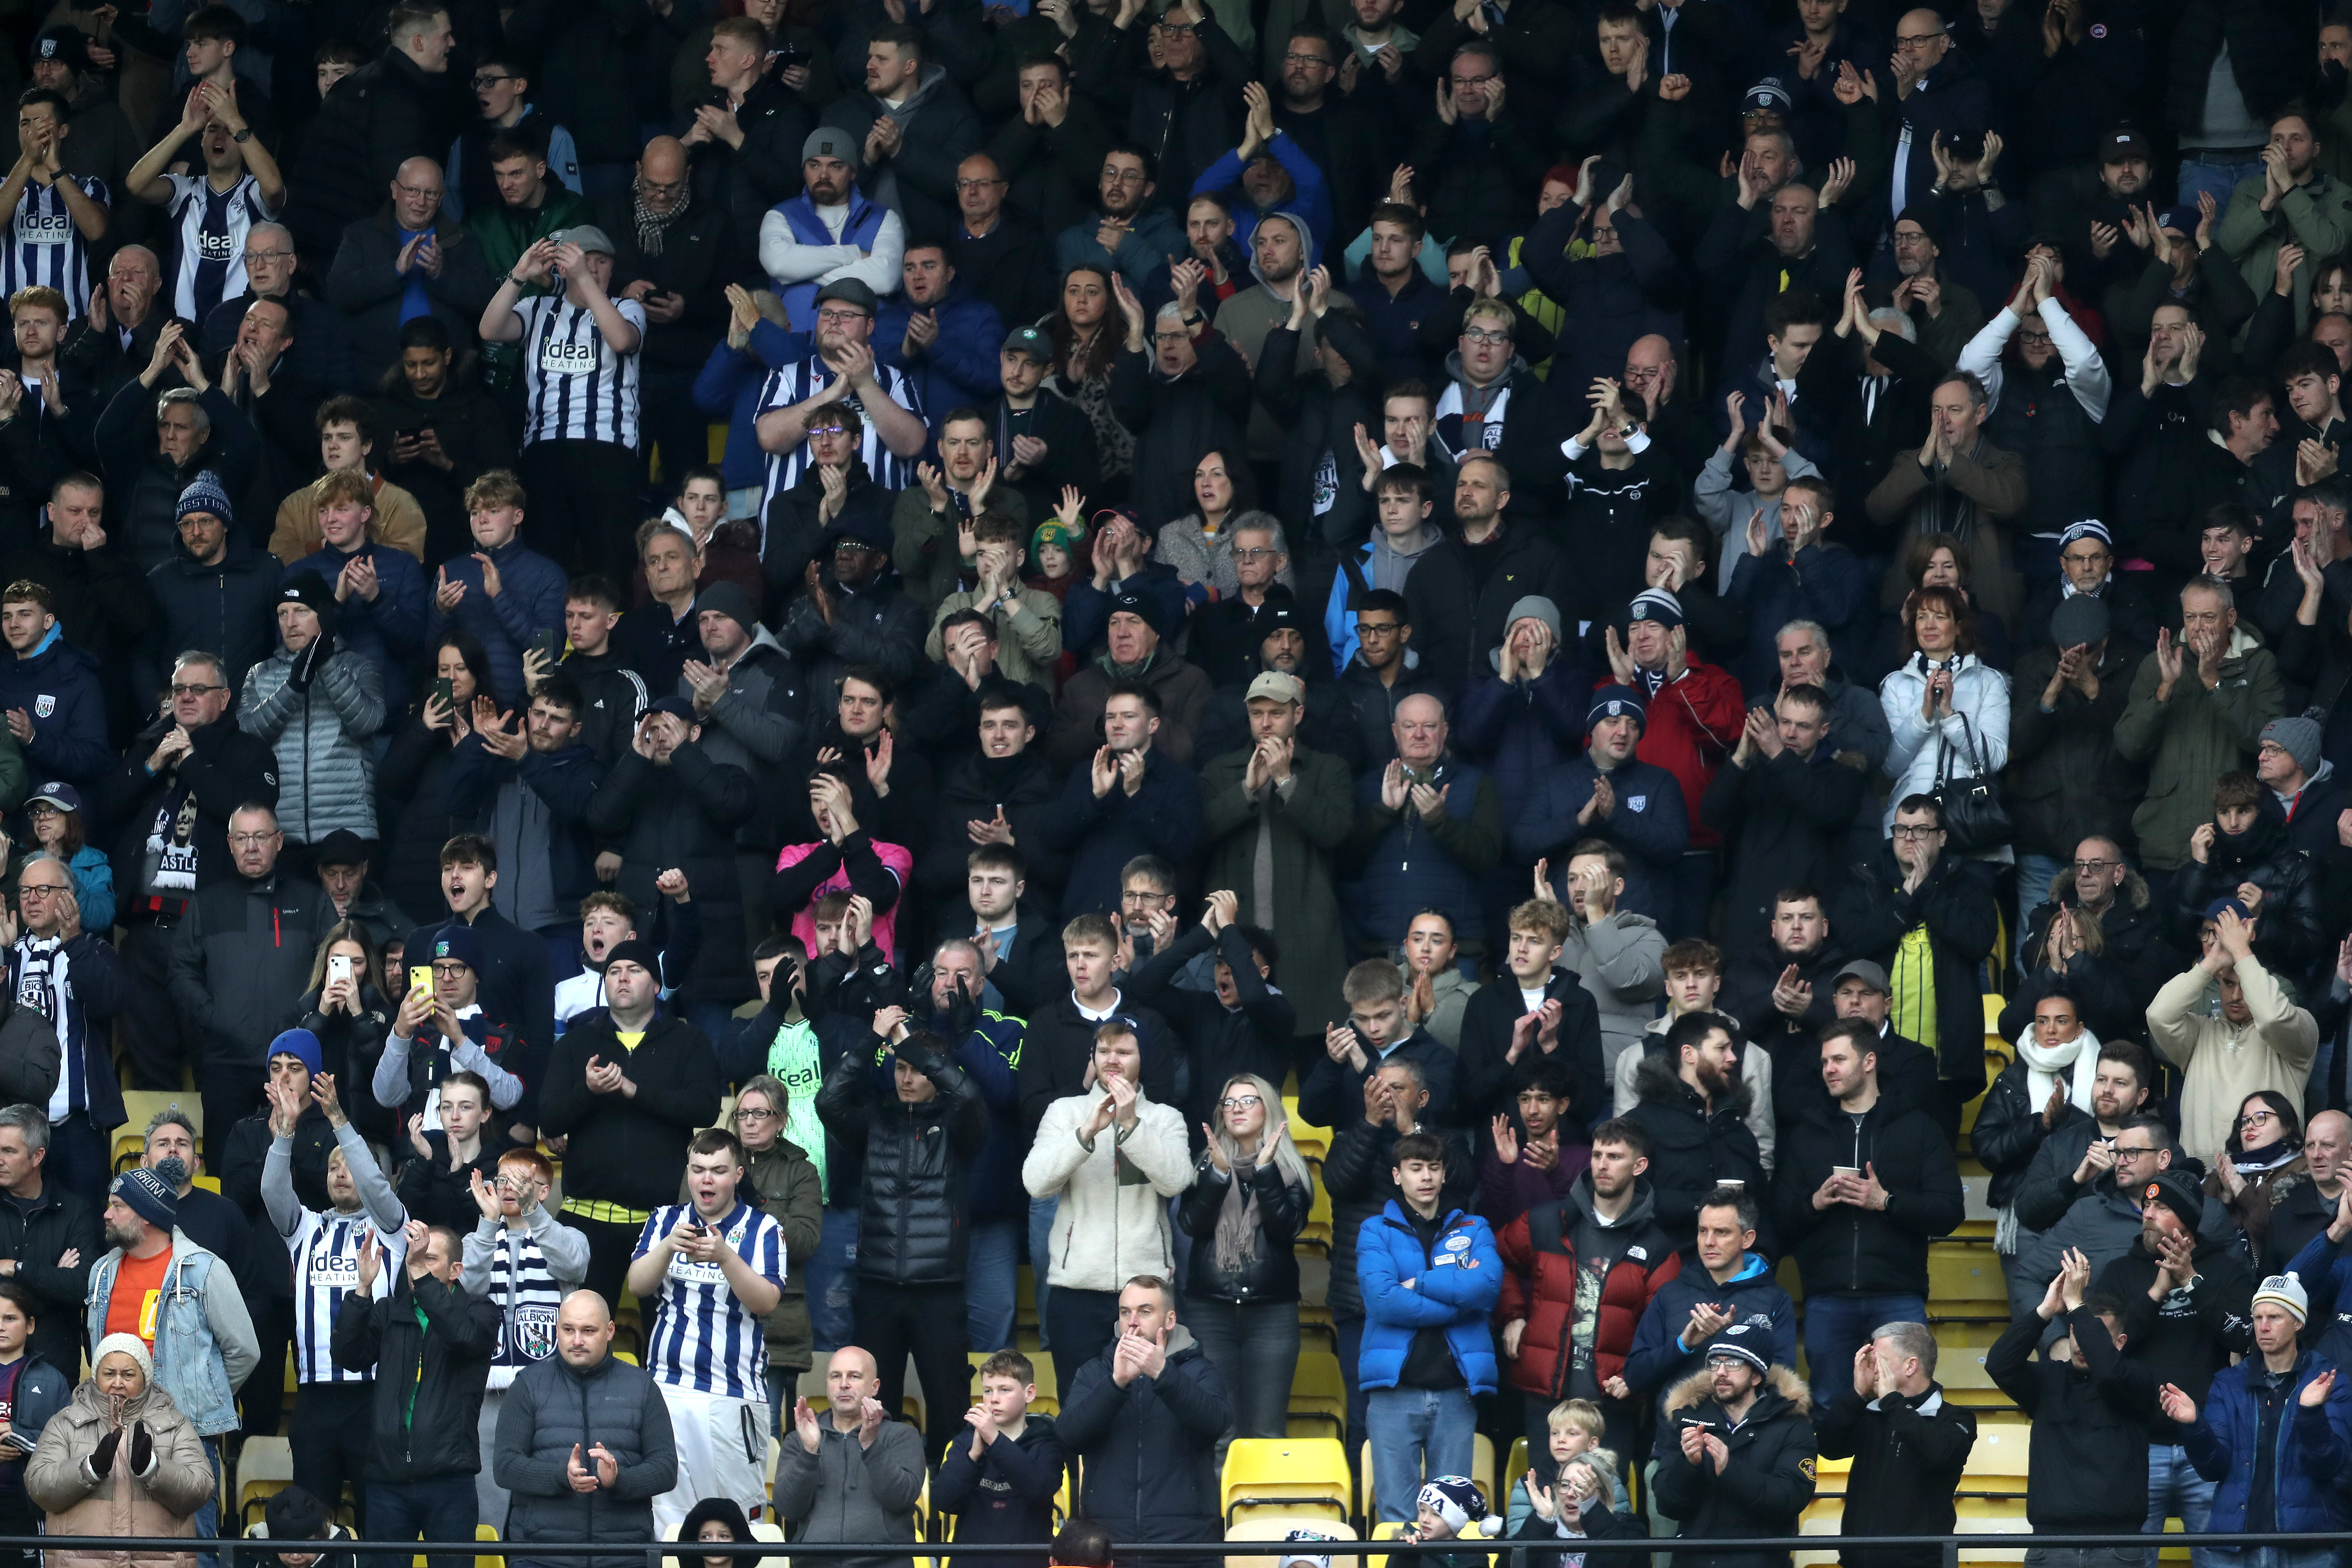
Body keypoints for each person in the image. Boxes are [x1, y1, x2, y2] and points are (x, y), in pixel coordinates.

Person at [814, 1014, 985, 1469]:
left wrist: (913, 1047)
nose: (907, 1078)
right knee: (873, 1411)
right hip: (878, 1286)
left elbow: (967, 1094)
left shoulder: (957, 1125)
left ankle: (951, 1519)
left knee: (951, 1412)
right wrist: (873, 1037)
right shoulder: (876, 1122)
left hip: (939, 1287)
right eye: (899, 1067)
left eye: (917, 1068)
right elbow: (828, 1100)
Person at [538, 943, 723, 1312]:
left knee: (667, 1347)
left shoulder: (689, 1041)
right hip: (585, 1219)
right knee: (579, 1339)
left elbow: (705, 1109)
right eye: (613, 971)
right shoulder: (577, 1043)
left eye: (634, 970)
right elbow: (550, 1119)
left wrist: (635, 1092)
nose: (622, 978)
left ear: (656, 985)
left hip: (664, 1225)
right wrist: (588, 1092)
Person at [623, 1128, 784, 1537]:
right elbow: (638, 1285)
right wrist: (666, 1248)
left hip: (732, 1393)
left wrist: (726, 1257)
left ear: (738, 1174)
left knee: (735, 1517)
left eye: (718, 1171)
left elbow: (766, 1301)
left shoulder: (764, 1227)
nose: (706, 1180)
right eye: (698, 1170)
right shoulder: (664, 1219)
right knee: (667, 1515)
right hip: (667, 1389)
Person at [1493, 1118, 1677, 1475]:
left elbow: (1665, 1325)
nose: (1602, 1165)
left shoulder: (1656, 1247)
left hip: (1611, 1405)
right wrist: (1513, 1315)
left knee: (1605, 1513)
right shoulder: (1548, 1221)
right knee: (1547, 1509)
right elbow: (1494, 1258)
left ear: (1639, 1166)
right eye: (1597, 1155)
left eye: (1615, 1156)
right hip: (1546, 1398)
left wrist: (1635, 1376)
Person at [87, 1164, 257, 1551]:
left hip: (186, 1437)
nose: (107, 1214)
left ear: (146, 1216)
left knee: (194, 1550)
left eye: (117, 1206)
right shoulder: (101, 1272)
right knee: (122, 1551)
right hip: (113, 1434)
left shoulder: (204, 1269)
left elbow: (244, 1351)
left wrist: (196, 1395)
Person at [1020, 1020, 1190, 1372]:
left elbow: (1175, 1182)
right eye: (1104, 1051)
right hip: (1076, 1288)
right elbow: (1036, 1183)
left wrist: (1132, 1126)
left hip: (1146, 1293)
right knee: (1080, 1407)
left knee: (1147, 1404)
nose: (1112, 1060)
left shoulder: (1165, 1118)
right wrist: (1086, 1133)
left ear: (1144, 1059)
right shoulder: (1064, 1112)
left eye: (1124, 1052)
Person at [330, 1219, 500, 1568]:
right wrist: (363, 1289)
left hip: (449, 1478)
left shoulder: (479, 1311)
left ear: (456, 1270)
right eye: (414, 1256)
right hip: (386, 1479)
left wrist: (421, 1277)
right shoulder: (391, 1310)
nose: (416, 1263)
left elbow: (460, 1336)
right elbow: (348, 1356)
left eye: (429, 1258)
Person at [1357, 1129, 1501, 1524]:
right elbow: (1383, 1300)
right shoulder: (1375, 1229)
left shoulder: (1475, 1227)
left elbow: (1487, 1288)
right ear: (1397, 1174)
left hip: (1456, 1391)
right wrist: (1458, 1302)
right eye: (1416, 1168)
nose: (1426, 1177)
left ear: (1444, 1174)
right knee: (1395, 1516)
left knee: (1451, 1517)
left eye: (1434, 1168)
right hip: (1394, 1393)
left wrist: (1419, 1283)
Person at [2162, 1272, 2352, 1568]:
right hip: (2234, 1546)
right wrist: (2194, 1426)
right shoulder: (2228, 1382)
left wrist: (2312, 1414)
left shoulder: (2329, 1379)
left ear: (2298, 1323)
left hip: (2307, 1546)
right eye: (2258, 1317)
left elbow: (2332, 1466)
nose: (2263, 1327)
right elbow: (2214, 1468)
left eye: (2275, 1317)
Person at [166, 802, 330, 1143]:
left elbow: (334, 967)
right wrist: (214, 1017)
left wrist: (306, 1018)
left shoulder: (312, 901)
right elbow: (181, 971)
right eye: (241, 838)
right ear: (229, 844)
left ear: (280, 841)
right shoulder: (207, 904)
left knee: (299, 1173)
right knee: (228, 1176)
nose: (251, 847)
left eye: (260, 837)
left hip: (297, 1065)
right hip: (227, 1064)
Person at [1985, 1253, 2162, 1551]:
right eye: (2076, 1331)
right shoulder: (2049, 1380)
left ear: (2120, 1343)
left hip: (2115, 1545)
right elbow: (1999, 1364)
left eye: (2095, 1334)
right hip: (2051, 1541)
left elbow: (2108, 1373)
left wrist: (2077, 1305)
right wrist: (2044, 1311)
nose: (2082, 1343)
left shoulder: (2137, 1380)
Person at [493, 1290, 680, 1568]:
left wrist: (619, 1479)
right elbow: (505, 1466)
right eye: (569, 1330)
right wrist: (561, 1476)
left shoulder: (642, 1387)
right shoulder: (527, 1385)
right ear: (557, 1330)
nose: (577, 1341)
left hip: (624, 1557)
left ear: (610, 1331)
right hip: (541, 1557)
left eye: (589, 1331)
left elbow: (666, 1469)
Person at [1054, 1276, 1231, 1566]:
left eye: (1145, 1312)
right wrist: (1116, 1384)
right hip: (1108, 1547)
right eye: (1126, 1312)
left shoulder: (1199, 1370)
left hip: (1185, 1549)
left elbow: (1216, 1423)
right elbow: (1069, 1435)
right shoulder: (1096, 1373)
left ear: (1170, 1319)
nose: (1133, 1321)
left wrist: (1164, 1375)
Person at [1175, 1070, 1311, 1439]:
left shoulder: (1291, 1171)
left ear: (1267, 1110)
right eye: (1229, 1102)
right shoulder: (1206, 1163)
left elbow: (1287, 1228)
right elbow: (1190, 1223)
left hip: (1271, 1312)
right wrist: (1218, 1177)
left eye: (1248, 1101)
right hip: (1210, 1310)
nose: (1237, 1109)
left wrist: (1265, 1171)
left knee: (1268, 1432)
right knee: (1219, 1432)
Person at [462, 1146, 588, 1528]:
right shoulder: (477, 1239)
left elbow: (572, 1265)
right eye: (502, 1181)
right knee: (489, 1500)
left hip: (552, 1390)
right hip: (489, 1392)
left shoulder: (569, 1235)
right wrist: (487, 1224)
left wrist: (536, 1216)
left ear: (545, 1190)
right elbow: (469, 1286)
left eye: (521, 1182)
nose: (509, 1188)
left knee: (551, 1485)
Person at [24, 1333, 216, 1568]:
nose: (117, 1383)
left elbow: (200, 1488)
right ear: (95, 1377)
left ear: (145, 1379)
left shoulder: (176, 1424)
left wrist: (154, 1469)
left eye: (128, 1375)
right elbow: (39, 1486)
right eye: (109, 1374)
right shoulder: (64, 1423)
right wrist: (89, 1470)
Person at [2147, 904, 2318, 1163]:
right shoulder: (2199, 1032)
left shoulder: (2298, 1028)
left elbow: (2272, 1018)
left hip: (2272, 1177)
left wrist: (2241, 951)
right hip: (2203, 1182)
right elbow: (2158, 1015)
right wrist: (2212, 962)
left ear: (2261, 983)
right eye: (2228, 983)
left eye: (2244, 986)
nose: (2236, 996)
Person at [1651, 1323, 1817, 1568]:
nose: (1720, 1372)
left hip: (1759, 1562)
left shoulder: (1792, 1424)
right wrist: (1690, 1465)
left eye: (1733, 1364)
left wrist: (1730, 1470)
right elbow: (1667, 1504)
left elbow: (1789, 1499)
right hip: (1694, 1561)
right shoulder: (1688, 1417)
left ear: (1757, 1376)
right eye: (1715, 1363)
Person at [1811, 1320, 1975, 1568]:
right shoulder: (1870, 1414)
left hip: (1919, 1564)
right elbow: (1828, 1446)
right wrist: (1856, 1395)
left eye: (1879, 1359)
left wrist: (1892, 1402)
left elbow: (1938, 1453)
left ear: (1911, 1366)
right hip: (1856, 1561)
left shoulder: (1955, 1418)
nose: (1872, 1367)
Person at [774, 1346, 925, 1568]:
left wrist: (871, 1445)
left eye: (854, 1376)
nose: (843, 1384)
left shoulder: (902, 1435)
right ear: (828, 1385)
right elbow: (787, 1508)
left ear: (874, 1387)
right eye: (836, 1376)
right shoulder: (800, 1440)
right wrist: (809, 1453)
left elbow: (901, 1499)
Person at [1625, 1013, 1768, 1246]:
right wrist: (1706, 1203)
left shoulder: (1738, 1129)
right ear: (1689, 1054)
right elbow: (1631, 1200)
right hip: (1667, 1266)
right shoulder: (1640, 1125)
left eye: (1732, 1049)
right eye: (1722, 1049)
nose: (1732, 1058)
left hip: (1736, 1272)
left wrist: (1764, 1254)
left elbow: (1763, 1206)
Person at [933, 1348, 1063, 1568]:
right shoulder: (965, 1441)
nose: (993, 1399)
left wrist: (995, 1441)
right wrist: (974, 1456)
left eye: (1004, 1390)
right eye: (987, 1391)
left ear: (1029, 1393)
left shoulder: (1047, 1442)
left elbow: (1039, 1489)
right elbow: (942, 1500)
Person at [0, 1107, 98, 1376]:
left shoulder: (74, 1211)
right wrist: (53, 1279)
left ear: (37, 1156)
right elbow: (66, 1288)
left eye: (8, 1151)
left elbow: (82, 1288)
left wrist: (15, 1268)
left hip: (53, 1368)